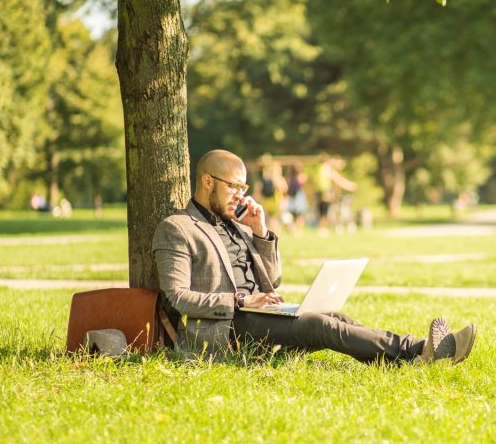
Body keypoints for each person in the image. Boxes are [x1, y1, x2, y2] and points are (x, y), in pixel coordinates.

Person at [152, 149, 476, 363]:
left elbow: (273, 279)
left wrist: (261, 233)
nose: (241, 194)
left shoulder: (237, 225)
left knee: (339, 319)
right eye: (234, 187)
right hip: (226, 328)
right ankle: (420, 350)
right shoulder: (178, 227)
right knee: (321, 326)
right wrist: (240, 301)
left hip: (261, 317)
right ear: (207, 181)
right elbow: (178, 297)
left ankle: (406, 362)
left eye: (244, 187)